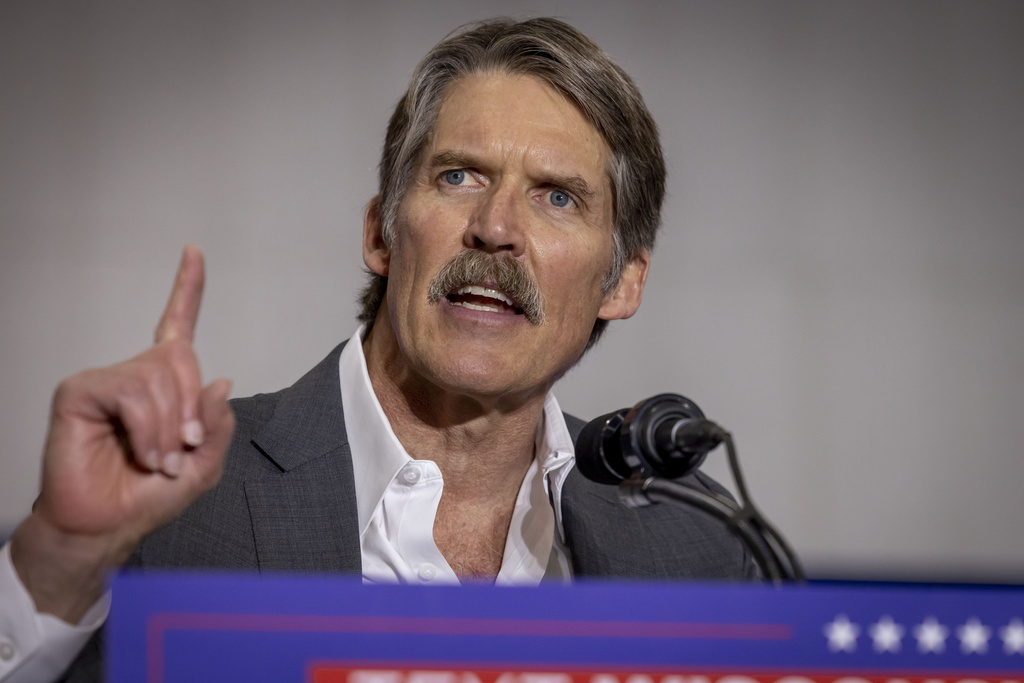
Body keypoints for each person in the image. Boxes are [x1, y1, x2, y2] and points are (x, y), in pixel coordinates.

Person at [0, 18, 753, 683]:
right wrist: (59, 558)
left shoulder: (702, 547)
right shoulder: (175, 499)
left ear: (621, 282)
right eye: (459, 175)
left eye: (557, 195)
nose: (496, 226)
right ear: (381, 233)